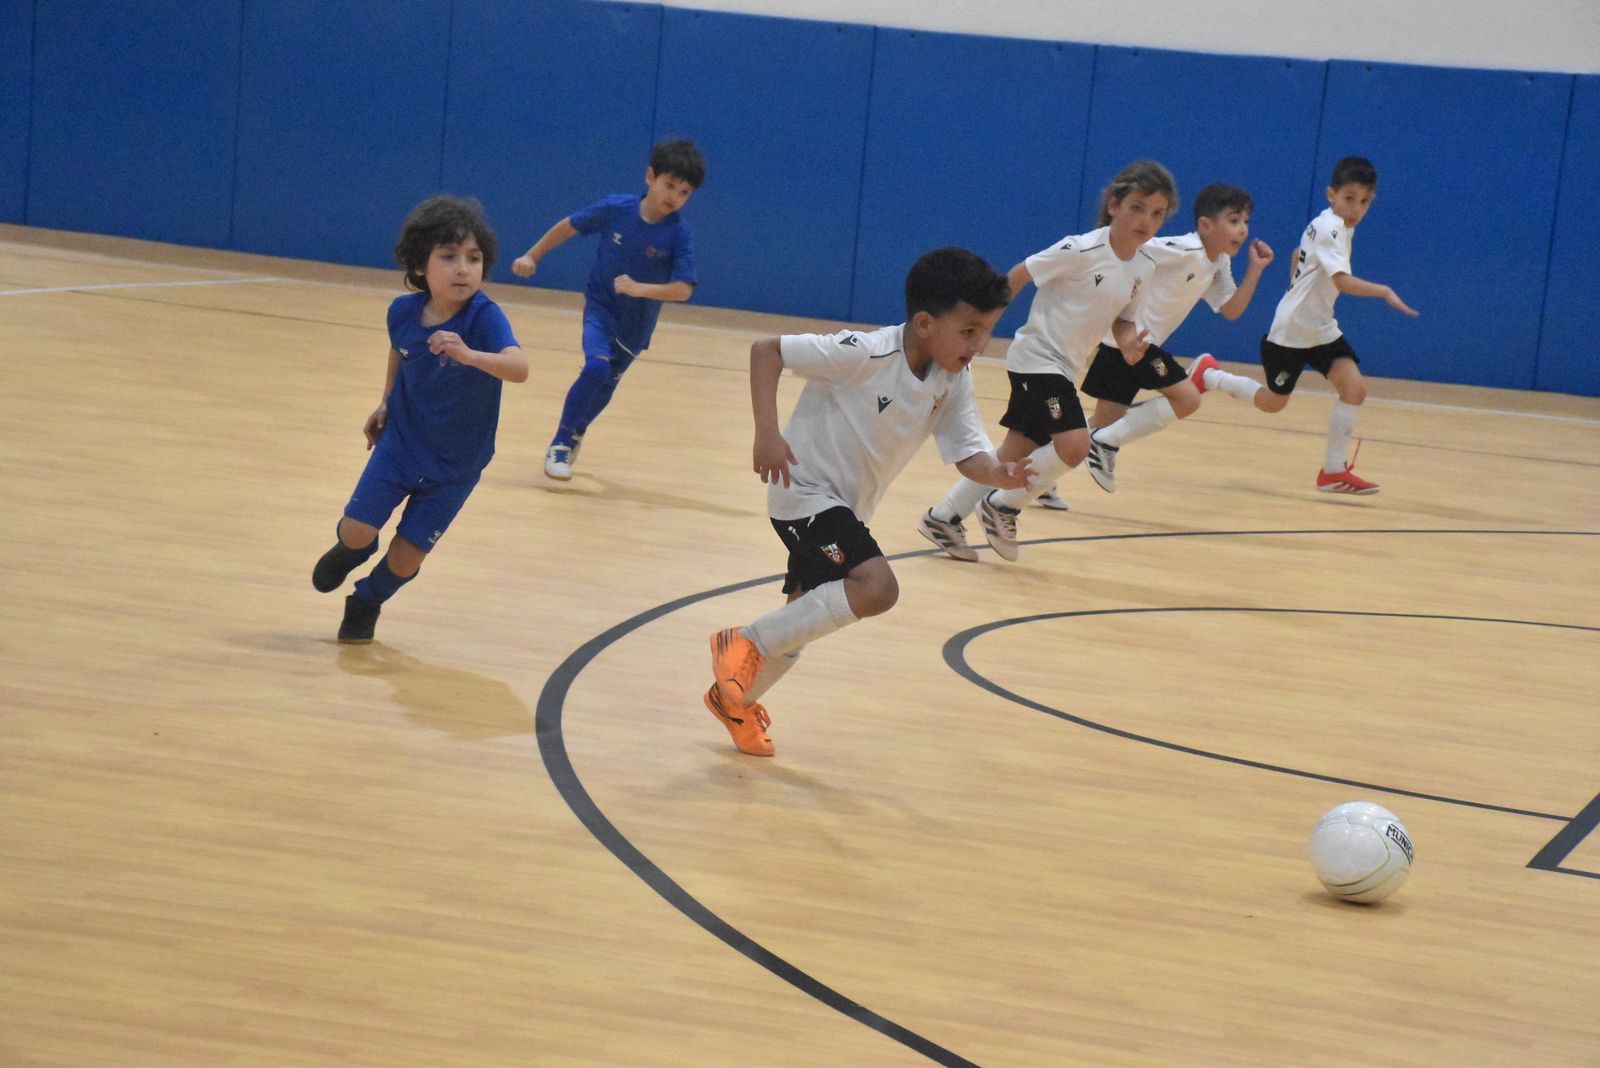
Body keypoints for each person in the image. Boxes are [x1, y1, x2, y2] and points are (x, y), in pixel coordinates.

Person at [704, 248, 1035, 757]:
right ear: (925, 323)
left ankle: (735, 700)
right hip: (804, 492)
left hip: (847, 509)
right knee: (877, 588)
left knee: (802, 620)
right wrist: (767, 436)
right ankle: (743, 643)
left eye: (987, 332)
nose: (980, 345)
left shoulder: (952, 380)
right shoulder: (865, 351)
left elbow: (968, 453)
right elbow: (766, 351)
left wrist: (997, 472)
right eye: (969, 331)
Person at [917, 161, 1176, 563]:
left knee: (1015, 451)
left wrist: (1128, 344)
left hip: (1064, 365)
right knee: (1074, 445)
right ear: (1114, 205)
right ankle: (1003, 505)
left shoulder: (1144, 266)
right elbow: (1016, 277)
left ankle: (943, 517)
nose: (1147, 220)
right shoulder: (1079, 249)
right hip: (1036, 358)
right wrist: (981, 331)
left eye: (1157, 213)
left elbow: (1124, 319)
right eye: (1138, 207)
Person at [311, 196, 527, 642]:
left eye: (473, 258)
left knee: (407, 557)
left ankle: (367, 599)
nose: (463, 268)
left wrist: (470, 356)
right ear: (420, 265)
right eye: (448, 257)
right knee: (357, 530)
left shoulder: (485, 317)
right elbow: (400, 351)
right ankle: (353, 549)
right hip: (401, 445)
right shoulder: (402, 312)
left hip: (456, 466)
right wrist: (386, 401)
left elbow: (519, 368)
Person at [512, 138, 704, 480]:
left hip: (637, 325)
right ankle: (559, 442)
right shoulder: (616, 209)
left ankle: (577, 430)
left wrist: (639, 289)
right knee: (596, 370)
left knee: (606, 384)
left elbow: (684, 289)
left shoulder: (679, 234)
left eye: (684, 192)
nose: (674, 196)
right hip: (601, 308)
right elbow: (569, 225)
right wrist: (532, 255)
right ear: (650, 177)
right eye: (670, 185)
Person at [1074, 182, 1275, 495]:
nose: (1242, 229)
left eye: (1246, 222)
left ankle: (1037, 468)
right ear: (1205, 225)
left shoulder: (1218, 262)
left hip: (1131, 349)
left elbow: (1232, 309)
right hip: (1129, 344)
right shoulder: (1185, 250)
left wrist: (1256, 270)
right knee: (1187, 398)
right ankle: (1105, 443)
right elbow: (1130, 248)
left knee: (1095, 428)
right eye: (1234, 221)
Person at [1258, 155, 1418, 493]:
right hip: (1292, 332)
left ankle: (1332, 471)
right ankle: (1210, 376)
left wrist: (1296, 291)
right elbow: (1342, 281)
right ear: (1331, 194)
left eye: (1364, 202)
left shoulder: (1334, 224)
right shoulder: (1332, 228)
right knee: (1272, 403)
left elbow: (1294, 256)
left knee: (1354, 389)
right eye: (1349, 199)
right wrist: (1384, 291)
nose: (1357, 208)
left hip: (1319, 328)